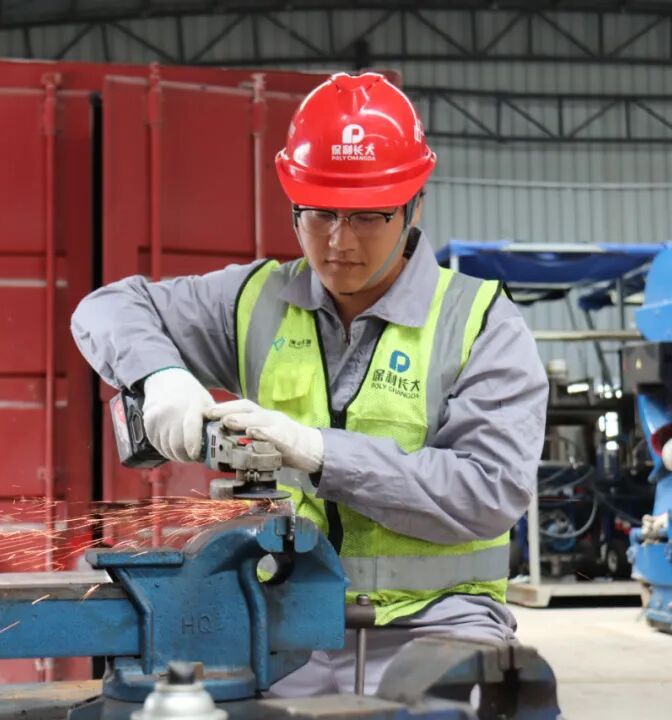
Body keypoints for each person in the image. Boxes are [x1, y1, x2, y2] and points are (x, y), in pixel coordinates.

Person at [71, 72, 547, 696]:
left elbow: (489, 491)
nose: (338, 242)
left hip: (439, 624)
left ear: (414, 205)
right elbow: (106, 308)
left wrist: (320, 452)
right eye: (318, 214)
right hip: (285, 626)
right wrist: (160, 376)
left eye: (367, 217)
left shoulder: (481, 323)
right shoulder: (256, 301)